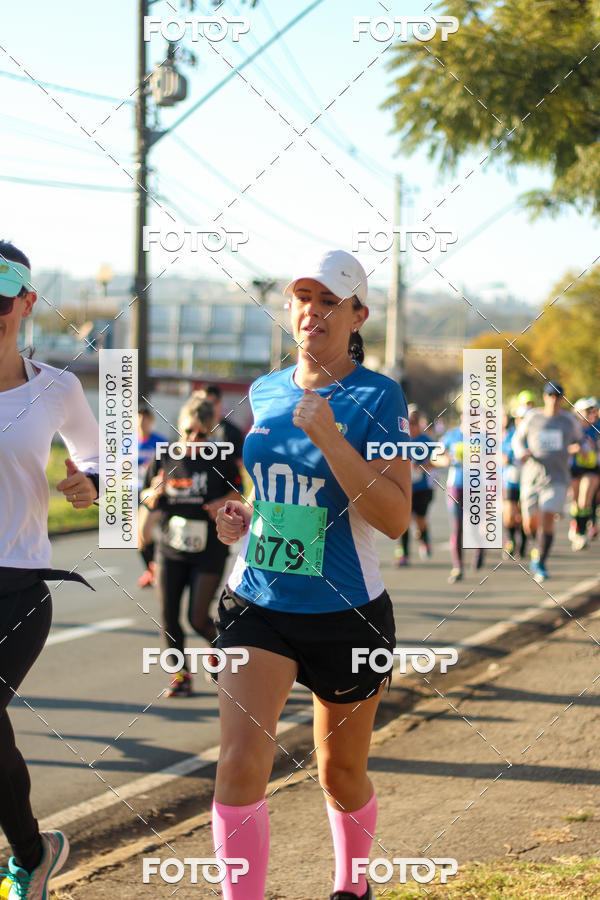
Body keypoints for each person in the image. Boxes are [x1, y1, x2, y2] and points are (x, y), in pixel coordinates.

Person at [212, 249, 411, 900]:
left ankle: (352, 886)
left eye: (330, 301)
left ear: (358, 316)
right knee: (240, 764)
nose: (313, 311)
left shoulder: (380, 396)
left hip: (345, 611)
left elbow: (395, 517)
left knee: (339, 772)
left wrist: (331, 437)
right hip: (259, 602)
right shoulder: (265, 390)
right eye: (303, 297)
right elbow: (275, 490)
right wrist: (243, 517)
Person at [0, 241, 100, 899]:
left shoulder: (57, 389)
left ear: (27, 303)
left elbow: (101, 456)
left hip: (16, 590)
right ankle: (32, 855)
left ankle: (30, 857)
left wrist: (90, 484)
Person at [140, 397, 242, 697]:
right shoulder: (165, 456)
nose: (194, 439)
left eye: (201, 433)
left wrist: (220, 503)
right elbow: (145, 494)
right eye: (188, 431)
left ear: (210, 433)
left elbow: (238, 493)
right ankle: (180, 676)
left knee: (197, 618)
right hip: (170, 547)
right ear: (179, 428)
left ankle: (217, 648)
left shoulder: (219, 458)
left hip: (209, 549)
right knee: (169, 616)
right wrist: (153, 493)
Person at [512, 381, 582, 582]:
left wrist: (580, 448)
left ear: (562, 399)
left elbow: (580, 439)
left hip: (557, 477)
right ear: (544, 397)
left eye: (558, 396)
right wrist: (521, 452)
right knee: (529, 524)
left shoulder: (569, 421)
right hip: (531, 477)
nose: (554, 400)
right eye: (551, 395)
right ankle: (537, 547)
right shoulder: (533, 417)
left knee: (548, 515)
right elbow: (517, 439)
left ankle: (541, 561)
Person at [436, 417, 485, 584]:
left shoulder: (483, 437)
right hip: (456, 486)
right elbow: (435, 457)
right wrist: (446, 460)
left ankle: (480, 548)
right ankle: (458, 567)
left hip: (477, 487)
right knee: (457, 527)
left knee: (474, 525)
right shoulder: (451, 436)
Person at [393, 404, 435, 566]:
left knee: (420, 520)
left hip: (423, 488)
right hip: (403, 488)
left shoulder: (426, 441)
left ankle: (425, 539)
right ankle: (404, 554)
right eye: (409, 422)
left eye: (414, 422)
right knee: (403, 522)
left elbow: (438, 460)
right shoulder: (399, 439)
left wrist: (421, 467)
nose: (412, 426)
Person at [137, 403, 167, 588]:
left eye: (145, 418)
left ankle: (159, 568)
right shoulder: (128, 443)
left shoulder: (160, 442)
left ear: (151, 421)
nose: (142, 421)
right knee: (139, 538)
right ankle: (151, 570)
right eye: (139, 417)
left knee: (146, 532)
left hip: (153, 495)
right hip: (134, 493)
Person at [568, 398, 600, 550]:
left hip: (591, 469)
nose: (590, 413)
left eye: (592, 410)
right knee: (576, 503)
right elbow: (563, 448)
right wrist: (576, 448)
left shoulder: (597, 427)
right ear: (578, 413)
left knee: (584, 501)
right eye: (586, 411)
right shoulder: (572, 428)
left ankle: (581, 533)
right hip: (574, 468)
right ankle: (576, 524)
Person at [192, 383, 245, 471]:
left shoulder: (233, 431)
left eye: (211, 403)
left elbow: (240, 462)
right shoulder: (193, 430)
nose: (207, 408)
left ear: (219, 404)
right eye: (203, 403)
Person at [501, 408, 527, 558]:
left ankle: (523, 541)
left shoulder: (532, 435)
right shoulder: (510, 435)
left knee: (522, 514)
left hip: (527, 480)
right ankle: (510, 539)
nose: (520, 421)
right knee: (509, 514)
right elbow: (501, 454)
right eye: (519, 418)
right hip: (510, 479)